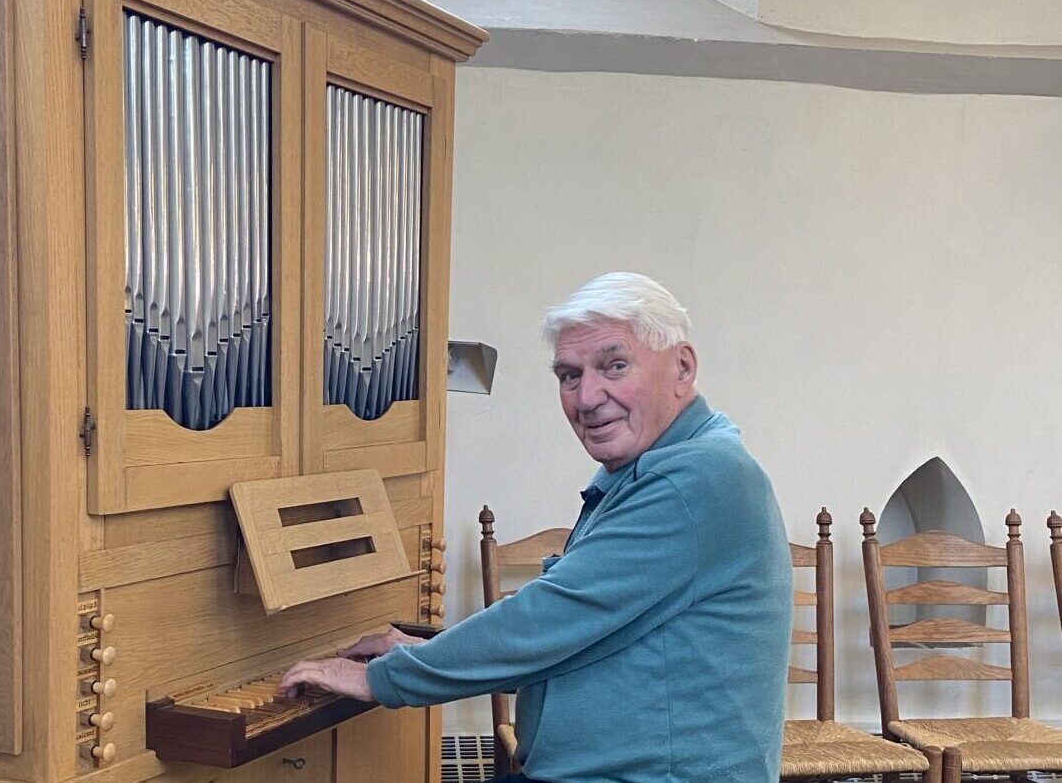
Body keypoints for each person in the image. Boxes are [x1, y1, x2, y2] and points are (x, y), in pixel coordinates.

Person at [279, 272, 791, 783]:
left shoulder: (699, 478)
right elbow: (581, 625)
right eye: (569, 375)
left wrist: (380, 679)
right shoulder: (656, 466)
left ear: (682, 367)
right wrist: (421, 652)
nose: (587, 397)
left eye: (614, 366)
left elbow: (551, 619)